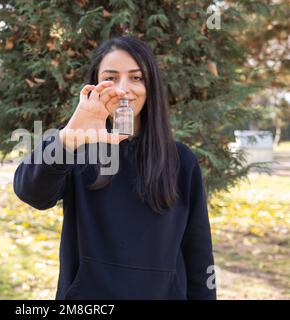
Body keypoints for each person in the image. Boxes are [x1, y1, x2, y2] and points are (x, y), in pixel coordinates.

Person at [13, 36, 216, 300]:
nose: (123, 89)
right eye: (111, 77)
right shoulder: (77, 149)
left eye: (136, 78)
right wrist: (68, 137)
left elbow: (199, 256)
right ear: (96, 86)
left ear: (151, 85)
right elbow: (31, 192)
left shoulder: (181, 160)